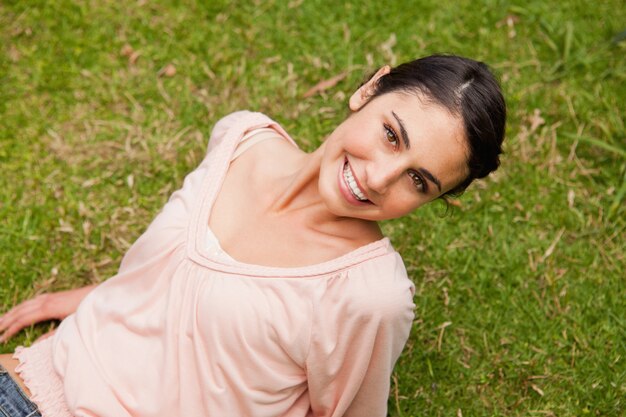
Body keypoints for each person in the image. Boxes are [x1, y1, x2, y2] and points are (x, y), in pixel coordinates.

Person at [0, 54, 506, 417]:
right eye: (391, 135)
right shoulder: (243, 138)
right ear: (368, 90)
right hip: (30, 373)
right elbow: (175, 284)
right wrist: (74, 300)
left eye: (418, 181)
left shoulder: (369, 296)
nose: (379, 178)